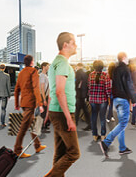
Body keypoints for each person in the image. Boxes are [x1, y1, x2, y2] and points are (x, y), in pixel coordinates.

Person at [45, 32, 80, 177]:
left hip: (56, 111)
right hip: (62, 112)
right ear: (66, 45)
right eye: (74, 42)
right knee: (73, 153)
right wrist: (69, 117)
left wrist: (48, 113)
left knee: (60, 153)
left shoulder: (55, 62)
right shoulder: (63, 63)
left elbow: (52, 92)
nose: (76, 45)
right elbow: (59, 92)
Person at [99, 52, 136, 157]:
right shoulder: (125, 69)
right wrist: (133, 100)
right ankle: (106, 142)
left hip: (115, 99)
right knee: (123, 123)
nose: (128, 59)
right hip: (123, 99)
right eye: (127, 57)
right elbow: (128, 85)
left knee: (121, 124)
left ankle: (122, 148)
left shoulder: (115, 69)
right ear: (123, 58)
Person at [13, 55, 47, 158]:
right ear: (32, 62)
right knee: (24, 127)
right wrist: (40, 104)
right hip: (30, 103)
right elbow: (36, 88)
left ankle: (37, 145)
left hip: (24, 102)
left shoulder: (21, 73)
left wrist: (16, 104)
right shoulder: (33, 71)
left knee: (31, 124)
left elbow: (16, 89)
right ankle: (17, 150)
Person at [89, 60, 111, 142]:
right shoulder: (105, 75)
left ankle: (94, 135)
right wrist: (109, 99)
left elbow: (89, 87)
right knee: (102, 118)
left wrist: (90, 97)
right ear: (102, 66)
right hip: (102, 100)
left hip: (93, 100)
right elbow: (108, 89)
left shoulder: (91, 75)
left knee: (94, 117)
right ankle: (103, 135)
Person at [75, 63, 91, 131]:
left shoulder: (78, 72)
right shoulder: (85, 74)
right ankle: (90, 124)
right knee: (84, 109)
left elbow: (77, 82)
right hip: (83, 94)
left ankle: (74, 124)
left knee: (78, 110)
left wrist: (74, 89)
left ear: (78, 66)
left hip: (79, 93)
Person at [39, 62, 51, 132]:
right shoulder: (42, 76)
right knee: (43, 112)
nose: (48, 67)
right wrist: (44, 99)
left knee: (45, 111)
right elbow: (42, 88)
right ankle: (42, 127)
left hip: (45, 96)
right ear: (44, 67)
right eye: (47, 66)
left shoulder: (45, 75)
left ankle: (45, 125)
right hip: (43, 96)